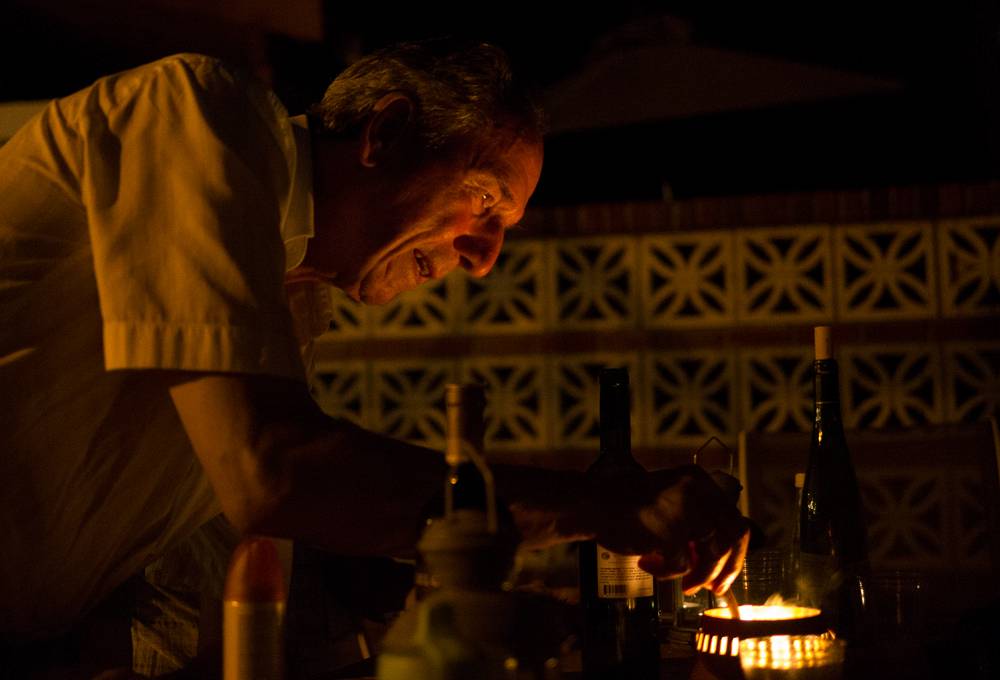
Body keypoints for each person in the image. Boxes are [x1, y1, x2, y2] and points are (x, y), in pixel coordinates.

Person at [0, 39, 749, 676]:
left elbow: (197, 554)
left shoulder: (287, 306)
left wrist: (376, 575)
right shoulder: (196, 113)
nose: (485, 259)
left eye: (505, 229)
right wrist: (609, 505)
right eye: (485, 201)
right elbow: (273, 472)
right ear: (385, 134)